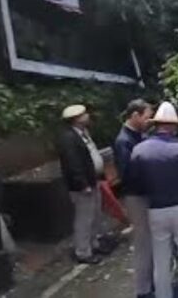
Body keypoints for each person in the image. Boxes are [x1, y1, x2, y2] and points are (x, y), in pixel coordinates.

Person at [129, 102, 178, 298]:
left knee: (161, 258)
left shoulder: (139, 150)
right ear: (174, 125)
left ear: (157, 124)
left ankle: (163, 295)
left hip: (156, 209)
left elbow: (134, 181)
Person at [57, 105, 109, 264]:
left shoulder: (83, 134)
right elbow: (73, 164)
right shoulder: (68, 138)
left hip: (94, 180)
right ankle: (83, 252)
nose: (87, 116)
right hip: (82, 186)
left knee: (95, 216)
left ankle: (94, 244)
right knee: (84, 219)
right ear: (76, 118)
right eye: (83, 114)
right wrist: (82, 184)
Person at [113, 99, 154, 298]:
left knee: (150, 239)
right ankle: (143, 289)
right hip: (136, 197)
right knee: (143, 241)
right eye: (147, 117)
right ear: (135, 116)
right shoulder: (124, 141)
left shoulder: (138, 135)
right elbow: (128, 174)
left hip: (144, 194)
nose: (149, 121)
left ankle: (150, 282)